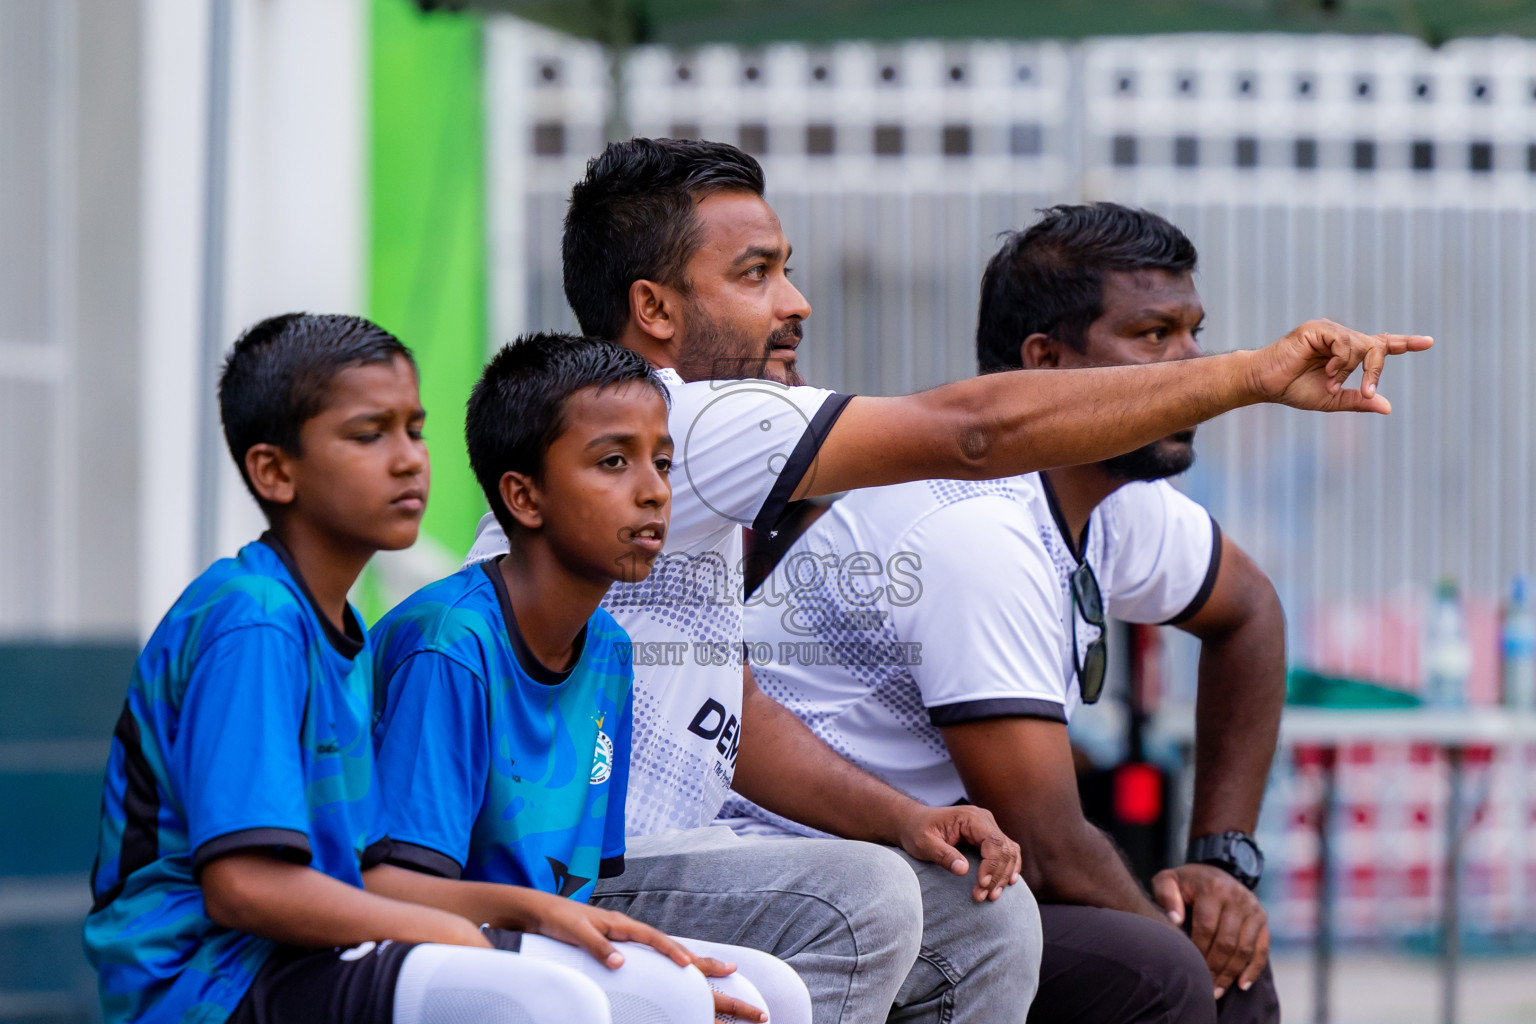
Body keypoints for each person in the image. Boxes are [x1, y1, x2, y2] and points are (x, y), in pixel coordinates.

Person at [463, 138, 1427, 1024]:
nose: (797, 302)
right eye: (758, 274)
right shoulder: (692, 421)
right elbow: (974, 435)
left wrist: (910, 818)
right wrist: (1253, 375)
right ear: (656, 310)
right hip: (578, 870)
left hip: (691, 858)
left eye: (786, 268)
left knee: (988, 916)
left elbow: (731, 712)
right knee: (891, 901)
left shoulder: (683, 459)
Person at [731, 204, 1291, 1024]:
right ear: (1046, 360)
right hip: (808, 887)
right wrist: (1203, 945)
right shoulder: (975, 527)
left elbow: (1250, 614)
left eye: (1194, 333)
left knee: (1213, 958)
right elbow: (1054, 850)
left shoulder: (1112, 492)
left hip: (938, 872)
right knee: (1169, 973)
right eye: (1154, 337)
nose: (1191, 366)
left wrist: (1222, 869)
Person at [83, 314, 713, 1024]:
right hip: (202, 978)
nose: (410, 459)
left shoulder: (336, 627)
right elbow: (244, 889)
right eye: (368, 435)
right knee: (539, 1001)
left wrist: (532, 912)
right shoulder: (255, 620)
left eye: (414, 430)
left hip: (293, 956)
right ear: (274, 471)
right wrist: (452, 933)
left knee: (681, 994)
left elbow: (369, 874)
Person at [371, 332, 806, 1023]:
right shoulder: (451, 646)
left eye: (662, 463)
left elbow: (581, 891)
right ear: (523, 496)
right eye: (613, 462)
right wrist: (625, 973)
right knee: (662, 996)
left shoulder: (607, 649)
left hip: (529, 934)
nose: (653, 492)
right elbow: (390, 892)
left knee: (767, 992)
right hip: (406, 944)